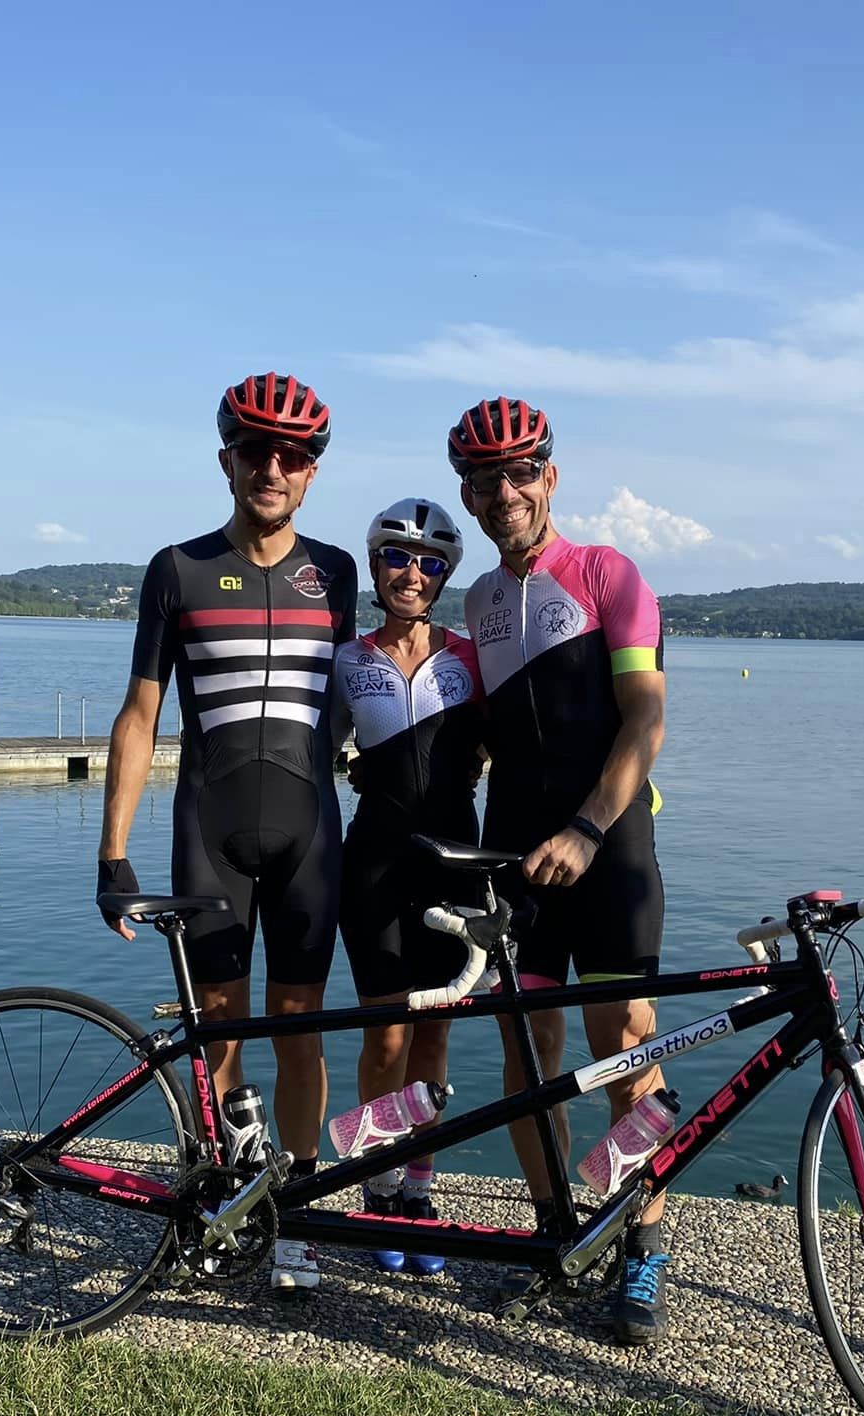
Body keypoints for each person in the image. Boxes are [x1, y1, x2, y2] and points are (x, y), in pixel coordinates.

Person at [97, 372, 357, 1293]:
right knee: (219, 1028)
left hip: (309, 833)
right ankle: (226, 1196)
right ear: (226, 461)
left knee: (300, 1029)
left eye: (293, 456)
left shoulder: (339, 572)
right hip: (210, 831)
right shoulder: (178, 569)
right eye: (255, 451)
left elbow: (357, 697)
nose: (272, 468)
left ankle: (299, 1220)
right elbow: (139, 716)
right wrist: (112, 852)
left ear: (313, 473)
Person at [448, 396, 673, 1345]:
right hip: (516, 857)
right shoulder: (478, 602)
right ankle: (556, 1237)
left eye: (518, 472)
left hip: (609, 850)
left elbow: (645, 721)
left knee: (625, 1051)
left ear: (549, 476)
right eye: (483, 480)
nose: (503, 492)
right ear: (468, 496)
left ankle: (641, 1245)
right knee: (527, 1062)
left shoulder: (609, 574)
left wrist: (586, 828)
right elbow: (486, 733)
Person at [330, 498, 485, 1277]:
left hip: (456, 866)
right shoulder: (347, 661)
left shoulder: (472, 659)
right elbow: (309, 755)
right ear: (376, 565)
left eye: (428, 563)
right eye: (396, 557)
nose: (412, 573)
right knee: (385, 1035)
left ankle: (419, 1188)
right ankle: (378, 1185)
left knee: (434, 1036)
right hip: (376, 866)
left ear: (445, 574)